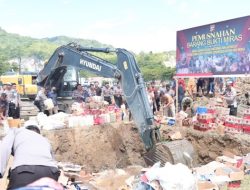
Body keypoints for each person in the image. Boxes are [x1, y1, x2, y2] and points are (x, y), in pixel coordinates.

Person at [0, 120, 60, 189]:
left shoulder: (16, 131)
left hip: (25, 172)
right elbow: (53, 160)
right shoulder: (44, 139)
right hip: (51, 172)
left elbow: (4, 147)